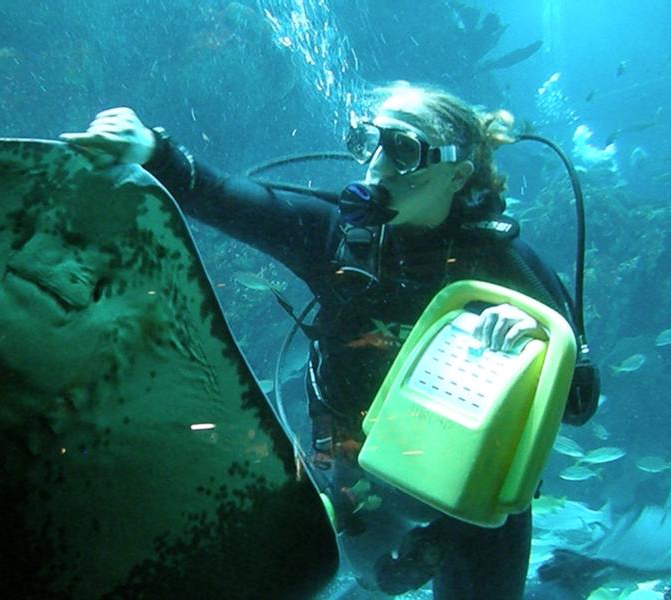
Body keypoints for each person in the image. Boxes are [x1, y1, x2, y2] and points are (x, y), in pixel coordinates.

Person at [61, 82, 572, 599]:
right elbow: (222, 197)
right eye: (367, 140)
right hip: (356, 472)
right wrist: (150, 147)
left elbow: (577, 402)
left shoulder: (507, 267)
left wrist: (537, 342)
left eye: (403, 148)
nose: (376, 163)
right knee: (373, 579)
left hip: (471, 490)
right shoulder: (336, 239)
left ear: (457, 173)